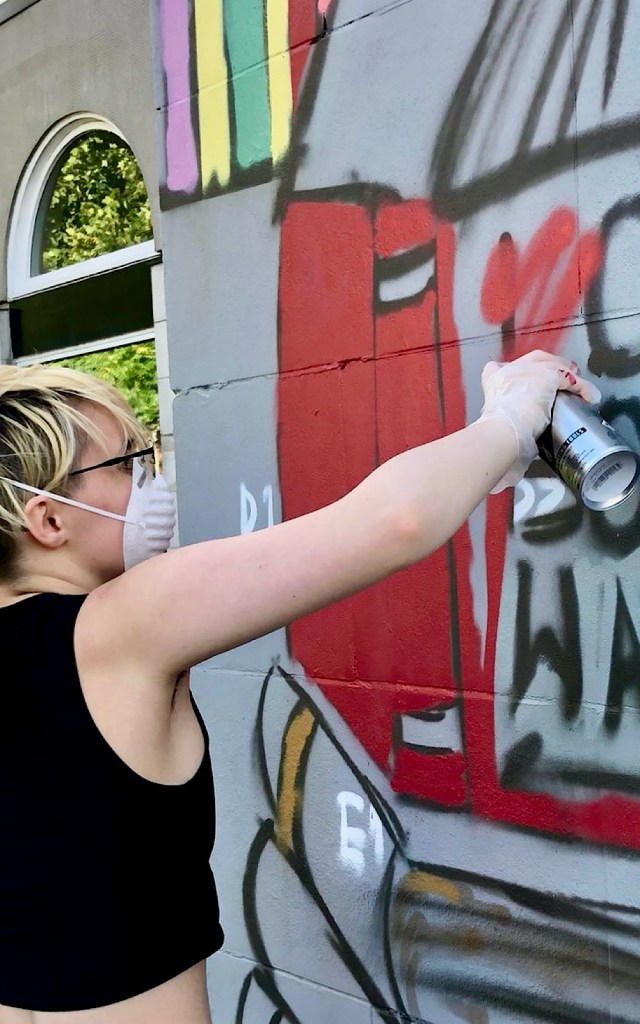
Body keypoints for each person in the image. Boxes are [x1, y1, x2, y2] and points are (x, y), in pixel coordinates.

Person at [0, 351, 597, 1024]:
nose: (148, 481)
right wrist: (513, 419)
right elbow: (391, 521)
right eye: (124, 465)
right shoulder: (123, 624)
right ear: (49, 520)